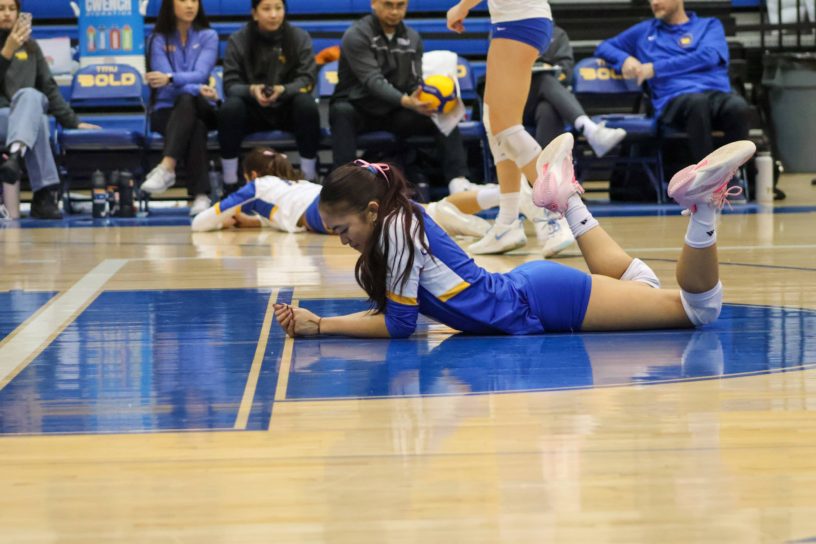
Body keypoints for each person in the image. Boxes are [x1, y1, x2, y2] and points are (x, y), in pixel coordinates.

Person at [273, 132, 756, 339]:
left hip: (538, 301)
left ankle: (702, 207)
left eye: (342, 229)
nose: (339, 239)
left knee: (699, 311)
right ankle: (563, 197)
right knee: (642, 287)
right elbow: (402, 316)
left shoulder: (398, 230)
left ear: (371, 211)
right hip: (533, 293)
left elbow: (400, 327)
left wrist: (324, 326)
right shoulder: (399, 219)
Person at [329, 0, 474, 193]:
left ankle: (458, 180)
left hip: (395, 112)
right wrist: (406, 101)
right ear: (374, 3)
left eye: (401, 5)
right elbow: (372, 80)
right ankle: (344, 185)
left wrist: (430, 95)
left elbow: (414, 81)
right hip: (358, 109)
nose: (395, 11)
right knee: (341, 111)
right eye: (388, 5)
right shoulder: (356, 35)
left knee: (442, 111)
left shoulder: (413, 38)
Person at [193, 147, 490, 238]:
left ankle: (469, 226)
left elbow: (200, 223)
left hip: (318, 209)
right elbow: (281, 214)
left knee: (406, 216)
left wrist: (226, 215)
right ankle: (501, 197)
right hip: (323, 197)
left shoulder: (256, 186)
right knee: (409, 211)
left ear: (252, 174)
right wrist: (251, 222)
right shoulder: (292, 183)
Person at [594, 0, 751, 167]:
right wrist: (624, 59)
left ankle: (734, 176)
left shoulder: (709, 25)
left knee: (738, 106)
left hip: (715, 94)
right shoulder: (644, 31)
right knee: (697, 103)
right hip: (674, 101)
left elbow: (709, 56)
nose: (654, 2)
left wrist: (655, 68)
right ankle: (705, 181)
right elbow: (603, 47)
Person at [0, 0, 100, 219]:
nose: (7, 14)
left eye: (11, 9)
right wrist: (5, 54)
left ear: (19, 13)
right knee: (37, 118)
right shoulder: (9, 49)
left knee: (33, 98)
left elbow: (49, 88)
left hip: (22, 119)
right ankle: (44, 194)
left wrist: (73, 122)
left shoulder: (31, 47)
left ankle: (16, 155)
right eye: (1, 9)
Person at [218, 0, 321, 185]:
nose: (273, 15)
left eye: (278, 8)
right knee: (230, 108)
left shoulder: (299, 37)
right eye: (266, 9)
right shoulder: (238, 39)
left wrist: (283, 90)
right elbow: (230, 85)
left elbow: (307, 80)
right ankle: (230, 180)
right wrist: (252, 90)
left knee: (306, 105)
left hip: (287, 108)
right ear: (255, 13)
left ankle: (309, 176)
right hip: (252, 110)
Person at [140, 0, 219, 216]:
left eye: (194, 0)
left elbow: (201, 73)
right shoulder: (157, 39)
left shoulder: (209, 36)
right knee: (196, 126)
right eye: (183, 0)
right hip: (165, 110)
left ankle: (167, 167)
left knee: (187, 99)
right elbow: (163, 79)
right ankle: (201, 196)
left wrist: (172, 78)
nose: (189, 5)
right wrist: (195, 87)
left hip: (204, 106)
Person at [524, 26, 626, 159]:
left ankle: (542, 176)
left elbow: (566, 72)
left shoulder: (557, 34)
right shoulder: (506, 31)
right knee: (543, 78)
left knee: (547, 109)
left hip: (545, 100)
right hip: (513, 102)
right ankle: (589, 129)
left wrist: (550, 70)